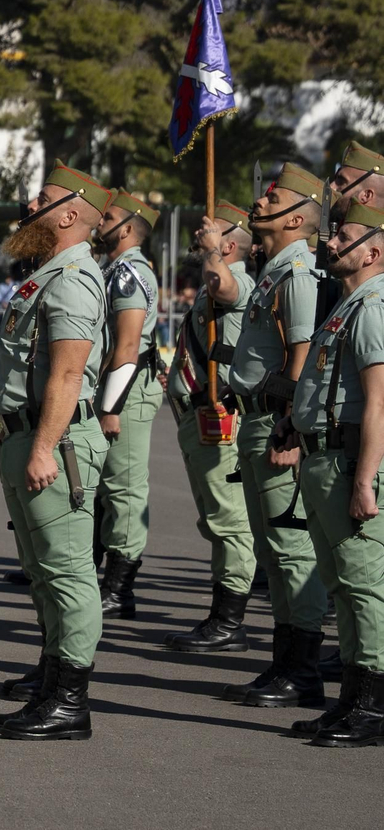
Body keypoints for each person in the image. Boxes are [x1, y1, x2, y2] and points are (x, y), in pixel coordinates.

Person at [0, 160, 110, 741]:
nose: (30, 206)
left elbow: (67, 374)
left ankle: (69, 702)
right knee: (41, 573)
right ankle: (51, 679)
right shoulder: (48, 274)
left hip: (53, 441)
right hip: (26, 434)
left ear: (69, 214)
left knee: (68, 573)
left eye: (43, 199)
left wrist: (43, 448)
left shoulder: (74, 279)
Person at [203, 163, 329, 710]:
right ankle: (284, 663)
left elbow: (301, 354)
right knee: (272, 551)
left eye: (273, 199)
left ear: (297, 218)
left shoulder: (298, 271)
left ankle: (302, 670)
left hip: (275, 422)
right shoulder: (275, 270)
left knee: (290, 549)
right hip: (256, 420)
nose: (258, 202)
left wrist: (291, 426)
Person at [288, 202, 384, 745]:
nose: (329, 242)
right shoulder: (347, 305)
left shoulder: (373, 307)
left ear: (372, 252)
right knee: (342, 585)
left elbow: (379, 402)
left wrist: (365, 480)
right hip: (324, 458)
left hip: (349, 462)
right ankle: (351, 700)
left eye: (343, 236)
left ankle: (373, 706)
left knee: (364, 585)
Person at [161, 202, 257, 653]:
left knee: (229, 520)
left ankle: (229, 620)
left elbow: (228, 289)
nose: (200, 239)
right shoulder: (209, 284)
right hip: (195, 415)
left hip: (218, 417)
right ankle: (221, 614)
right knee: (214, 519)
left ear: (229, 245)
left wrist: (214, 252)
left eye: (210, 234)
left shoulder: (235, 281)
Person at [92, 190, 164, 618]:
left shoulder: (128, 274)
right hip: (114, 385)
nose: (99, 222)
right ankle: (95, 577)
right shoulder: (113, 269)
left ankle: (119, 589)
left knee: (124, 487)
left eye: (108, 217)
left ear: (128, 228)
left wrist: (111, 406)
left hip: (126, 388)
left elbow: (128, 345)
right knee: (104, 486)